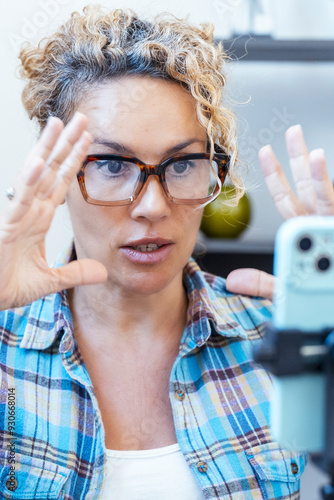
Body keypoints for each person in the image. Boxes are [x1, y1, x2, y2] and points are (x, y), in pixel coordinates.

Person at [0, 5, 332, 499]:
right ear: (60, 173)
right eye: (112, 164)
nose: (153, 206)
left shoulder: (283, 338)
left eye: (181, 164)